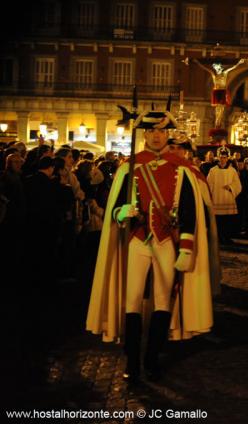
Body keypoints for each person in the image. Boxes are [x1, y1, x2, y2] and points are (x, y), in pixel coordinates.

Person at [86, 107, 214, 383]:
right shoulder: (130, 166)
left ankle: (152, 358)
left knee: (162, 301)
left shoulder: (183, 169)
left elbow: (190, 212)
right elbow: (114, 208)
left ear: (168, 134)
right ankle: (132, 360)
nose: (156, 136)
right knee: (132, 300)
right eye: (152, 131)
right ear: (145, 134)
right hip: (137, 240)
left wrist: (187, 249)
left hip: (168, 242)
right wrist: (123, 213)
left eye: (161, 131)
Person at [206, 146, 242, 244]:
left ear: (227, 158)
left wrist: (231, 187)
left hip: (228, 198)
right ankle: (218, 238)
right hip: (217, 198)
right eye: (221, 157)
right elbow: (209, 184)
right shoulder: (213, 170)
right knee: (218, 220)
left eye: (224, 157)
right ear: (218, 158)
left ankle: (226, 237)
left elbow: (238, 184)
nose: (223, 159)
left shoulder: (232, 170)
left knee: (228, 220)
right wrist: (210, 196)